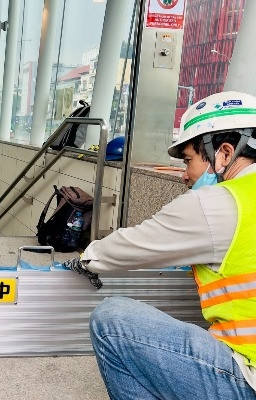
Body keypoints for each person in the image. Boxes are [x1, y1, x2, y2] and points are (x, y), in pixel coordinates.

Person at [63, 91, 256, 399]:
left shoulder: (220, 203)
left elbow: (135, 244)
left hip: (248, 382)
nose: (184, 174)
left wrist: (88, 258)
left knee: (112, 320)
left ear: (223, 153)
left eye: (189, 160)